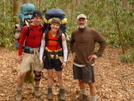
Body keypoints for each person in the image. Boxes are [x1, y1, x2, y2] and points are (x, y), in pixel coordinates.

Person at [70, 14, 107, 101]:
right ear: (77, 21)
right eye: (80, 20)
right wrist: (73, 51)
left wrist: (97, 54)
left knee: (91, 84)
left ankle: (93, 99)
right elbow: (71, 42)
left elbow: (103, 42)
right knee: (80, 80)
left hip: (88, 62)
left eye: (83, 20)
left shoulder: (92, 32)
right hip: (77, 62)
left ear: (86, 21)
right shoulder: (74, 33)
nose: (81, 22)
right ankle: (84, 96)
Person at [16, 10, 44, 101]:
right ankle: (19, 92)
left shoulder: (42, 27)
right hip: (28, 54)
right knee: (22, 73)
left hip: (38, 53)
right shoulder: (26, 28)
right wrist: (19, 54)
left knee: (38, 73)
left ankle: (36, 89)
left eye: (40, 18)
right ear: (32, 18)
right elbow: (21, 41)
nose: (38, 20)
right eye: (36, 18)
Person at [39, 18, 68, 100]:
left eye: (57, 25)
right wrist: (40, 59)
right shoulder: (46, 34)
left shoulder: (61, 35)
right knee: (50, 76)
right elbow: (42, 47)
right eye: (54, 24)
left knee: (59, 76)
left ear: (59, 26)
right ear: (50, 25)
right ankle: (49, 91)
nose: (55, 26)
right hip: (48, 58)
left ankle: (62, 91)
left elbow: (65, 49)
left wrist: (65, 61)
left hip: (58, 58)